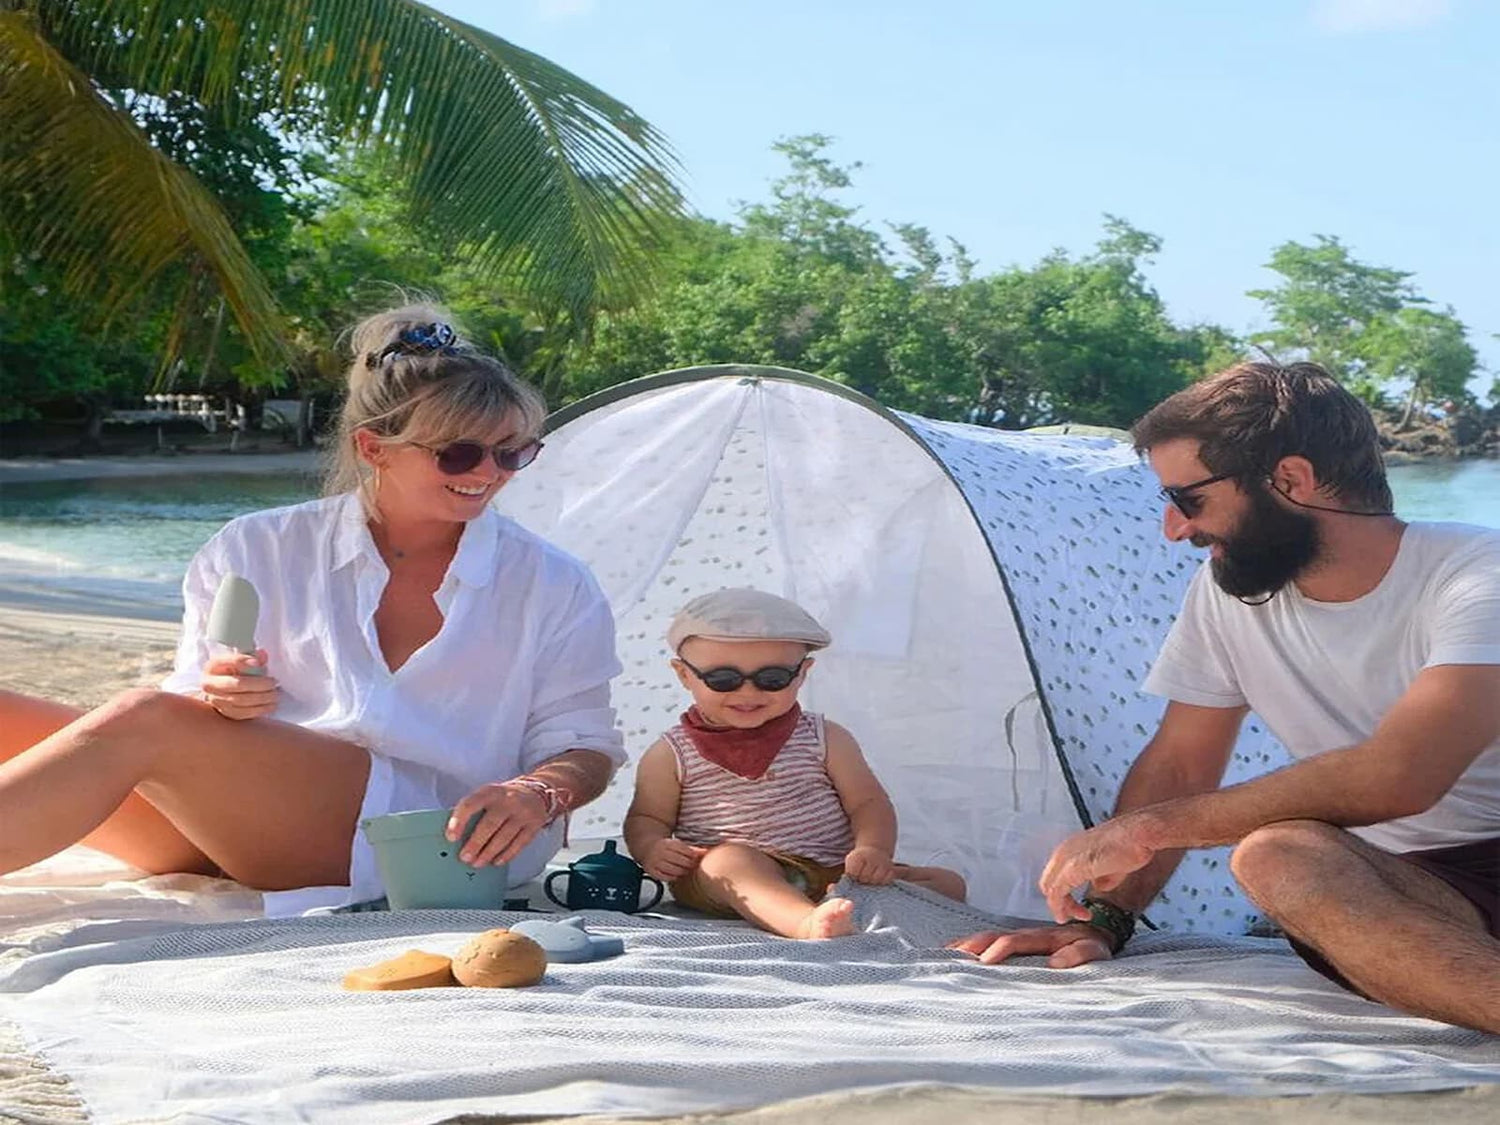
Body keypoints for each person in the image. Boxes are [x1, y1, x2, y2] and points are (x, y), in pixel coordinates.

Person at [0, 305, 626, 915]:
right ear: (374, 448)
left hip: (431, 843)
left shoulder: (552, 583)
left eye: (513, 452)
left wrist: (537, 793)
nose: (490, 473)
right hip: (244, 826)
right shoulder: (254, 548)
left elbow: (584, 745)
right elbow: (195, 703)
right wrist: (219, 696)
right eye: (459, 454)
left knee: (142, 717)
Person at [951, 361, 1500, 1033]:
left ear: (1290, 480)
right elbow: (1181, 763)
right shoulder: (1227, 596)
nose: (1173, 529)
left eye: (1189, 500)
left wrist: (1149, 828)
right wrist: (1105, 918)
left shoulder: (1477, 573)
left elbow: (1403, 773)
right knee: (1276, 855)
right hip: (1426, 894)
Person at [623, 588, 966, 939]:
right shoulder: (671, 752)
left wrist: (872, 850)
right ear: (684, 675)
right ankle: (804, 923)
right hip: (728, 878)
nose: (748, 692)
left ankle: (841, 904)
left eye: (772, 679)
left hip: (830, 872)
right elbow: (647, 817)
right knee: (729, 861)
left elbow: (868, 802)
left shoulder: (826, 737)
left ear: (802, 673)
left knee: (948, 883)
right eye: (722, 679)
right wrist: (652, 847)